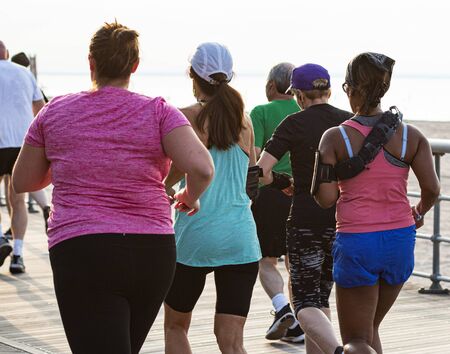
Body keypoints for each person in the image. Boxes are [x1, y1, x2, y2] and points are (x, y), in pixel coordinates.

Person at [12, 21, 214, 354]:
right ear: (134, 66)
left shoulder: (56, 111)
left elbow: (24, 181)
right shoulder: (159, 111)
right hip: (153, 252)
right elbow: (203, 168)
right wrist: (188, 197)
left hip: (84, 249)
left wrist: (69, 163)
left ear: (91, 62)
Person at [313, 52, 440, 354]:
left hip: (358, 242)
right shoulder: (413, 136)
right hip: (399, 240)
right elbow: (432, 189)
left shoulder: (335, 138)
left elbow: (326, 198)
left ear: (350, 89)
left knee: (355, 341)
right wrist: (418, 212)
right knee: (370, 330)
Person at [163, 42, 261, 354]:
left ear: (192, 74)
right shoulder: (244, 120)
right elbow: (252, 176)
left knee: (176, 326)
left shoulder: (183, 118)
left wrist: (167, 189)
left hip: (196, 235)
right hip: (241, 237)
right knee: (231, 343)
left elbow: (174, 173)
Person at [257, 64, 353, 354]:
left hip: (305, 221)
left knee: (302, 303)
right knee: (322, 298)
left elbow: (262, 171)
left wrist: (280, 182)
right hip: (341, 221)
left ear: (298, 95)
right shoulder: (348, 122)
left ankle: (337, 350)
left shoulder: (293, 123)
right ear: (330, 91)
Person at [249, 62, 304, 342]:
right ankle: (299, 323)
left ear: (271, 86)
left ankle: (283, 309)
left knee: (267, 261)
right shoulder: (304, 112)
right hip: (303, 196)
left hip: (271, 194)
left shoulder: (260, 112)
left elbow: (255, 158)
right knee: (296, 263)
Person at [0, 40, 45, 273]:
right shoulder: (24, 74)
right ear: (6, 53)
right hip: (21, 143)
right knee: (18, 201)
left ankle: (0, 239)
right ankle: (17, 256)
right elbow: (41, 110)